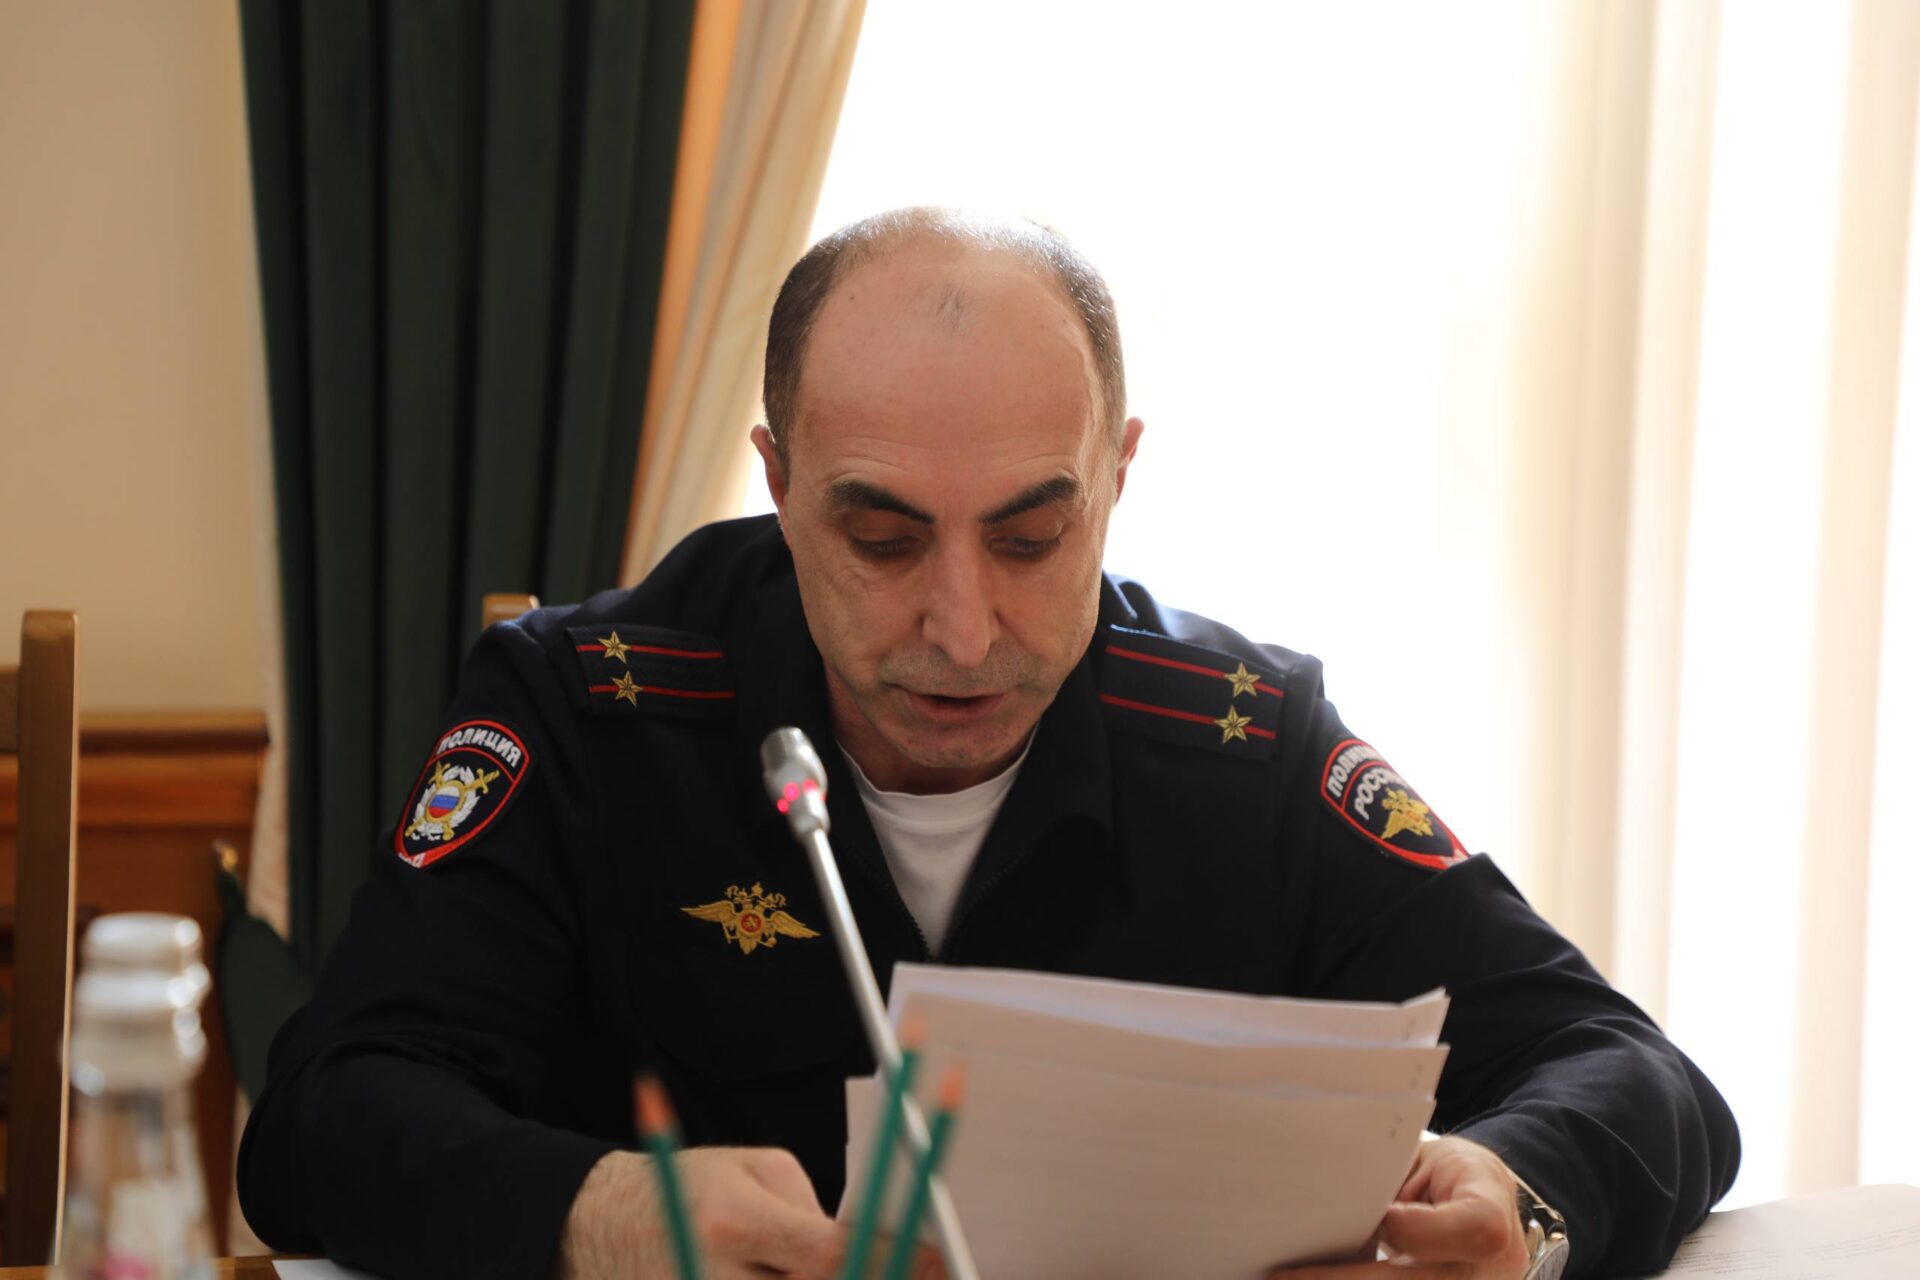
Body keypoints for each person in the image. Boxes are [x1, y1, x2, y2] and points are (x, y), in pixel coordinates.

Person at [238, 208, 1739, 1280]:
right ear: (778, 481)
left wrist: (1517, 1198)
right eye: (883, 539)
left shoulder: (1243, 744)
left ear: (1116, 477)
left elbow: (1624, 1067)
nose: (963, 631)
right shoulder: (589, 714)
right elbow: (324, 1112)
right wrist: (601, 1214)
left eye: (1031, 538)